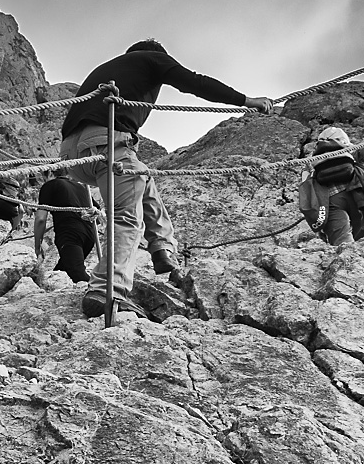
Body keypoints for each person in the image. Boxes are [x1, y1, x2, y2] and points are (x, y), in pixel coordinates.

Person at [59, 38, 274, 318]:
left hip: (72, 155)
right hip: (107, 141)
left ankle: (162, 249)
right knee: (125, 216)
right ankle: (105, 289)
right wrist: (247, 101)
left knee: (141, 176)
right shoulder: (151, 58)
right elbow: (195, 82)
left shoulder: (109, 67)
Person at [298, 126, 364, 246]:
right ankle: (357, 251)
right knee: (358, 238)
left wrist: (317, 220)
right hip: (357, 196)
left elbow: (306, 190)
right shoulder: (349, 150)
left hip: (331, 202)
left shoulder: (311, 160)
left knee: (342, 242)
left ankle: (347, 252)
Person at [33, 168, 100, 283]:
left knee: (77, 273)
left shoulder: (50, 185)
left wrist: (37, 248)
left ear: (50, 173)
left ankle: (100, 290)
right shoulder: (82, 187)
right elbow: (98, 215)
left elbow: (40, 219)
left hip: (69, 234)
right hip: (89, 236)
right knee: (62, 272)